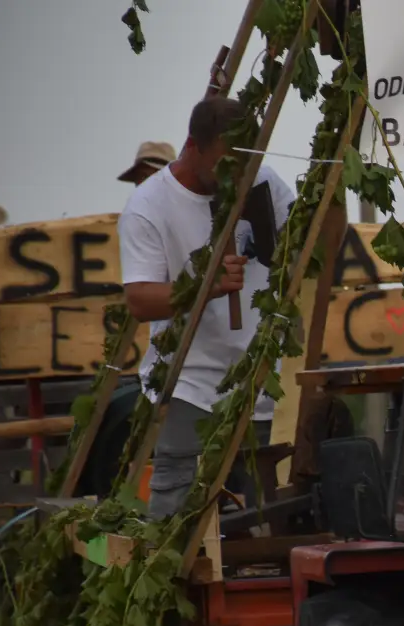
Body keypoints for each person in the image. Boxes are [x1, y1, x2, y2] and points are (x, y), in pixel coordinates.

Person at [119, 97, 295, 518]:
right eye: (223, 164)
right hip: (191, 381)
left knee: (275, 508)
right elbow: (139, 299)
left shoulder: (263, 182)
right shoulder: (149, 206)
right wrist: (205, 287)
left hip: (261, 377)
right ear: (192, 147)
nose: (235, 175)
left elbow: (309, 244)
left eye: (243, 164)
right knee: (174, 507)